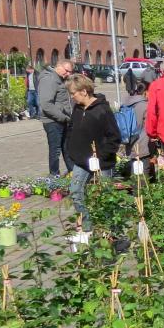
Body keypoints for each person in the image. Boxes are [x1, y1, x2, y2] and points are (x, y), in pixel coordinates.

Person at [64, 74, 120, 228]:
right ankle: (88, 224)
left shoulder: (102, 110)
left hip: (102, 162)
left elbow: (114, 137)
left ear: (83, 91)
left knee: (105, 197)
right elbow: (71, 130)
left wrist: (101, 157)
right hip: (81, 160)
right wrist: (71, 148)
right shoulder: (77, 108)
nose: (71, 97)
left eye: (73, 93)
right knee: (75, 191)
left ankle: (111, 232)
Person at [38, 59, 75, 176]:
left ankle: (73, 172)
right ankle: (54, 176)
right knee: (55, 150)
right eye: (67, 71)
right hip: (53, 121)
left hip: (62, 119)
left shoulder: (59, 79)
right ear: (59, 66)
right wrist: (63, 117)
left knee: (67, 147)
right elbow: (46, 104)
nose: (68, 74)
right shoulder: (49, 79)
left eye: (70, 72)